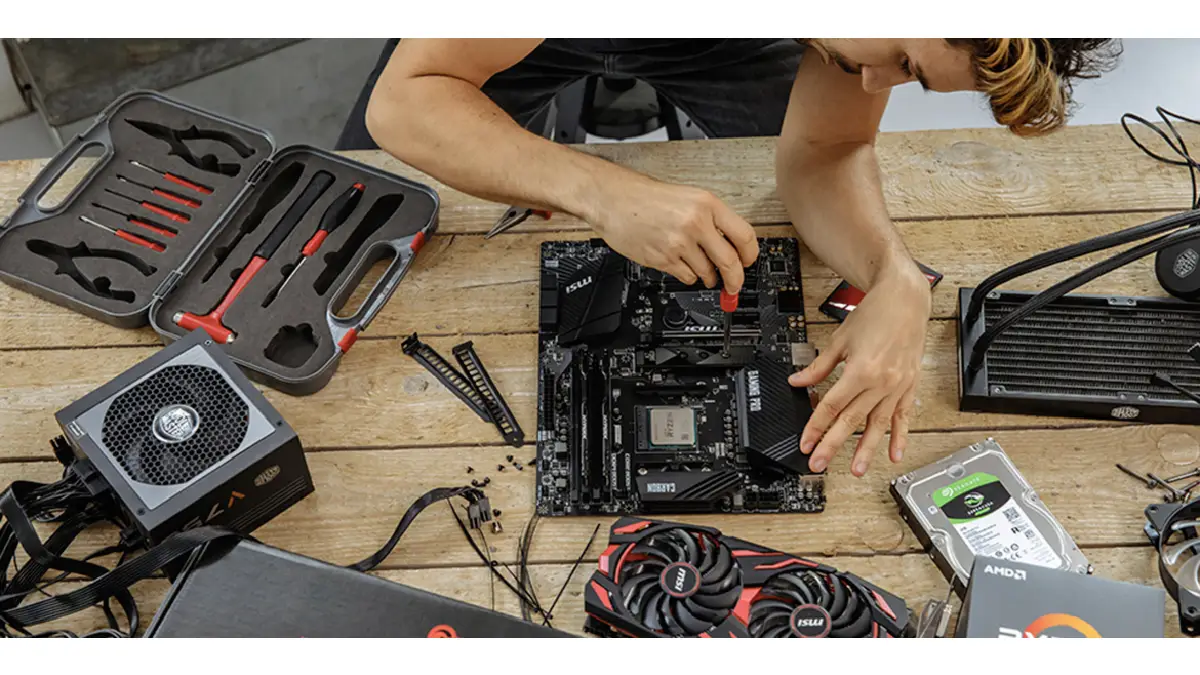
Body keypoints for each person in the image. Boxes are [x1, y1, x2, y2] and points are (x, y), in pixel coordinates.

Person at [352, 38, 1120, 478]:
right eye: (901, 59)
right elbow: (405, 104)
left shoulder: (850, 42)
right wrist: (601, 191)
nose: (875, 82)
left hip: (726, 46)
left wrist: (894, 274)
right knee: (368, 190)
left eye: (907, 79)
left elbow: (828, 146)